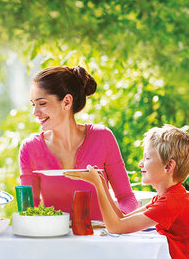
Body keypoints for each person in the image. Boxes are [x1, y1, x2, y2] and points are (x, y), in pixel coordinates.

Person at [19, 66, 139, 220]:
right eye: (32, 104)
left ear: (67, 102)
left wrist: (117, 220)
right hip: (55, 240)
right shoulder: (30, 148)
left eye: (42, 104)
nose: (35, 113)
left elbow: (127, 198)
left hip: (103, 239)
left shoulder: (102, 138)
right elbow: (28, 210)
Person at [65, 125, 189, 259]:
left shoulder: (170, 203)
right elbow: (122, 219)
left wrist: (97, 185)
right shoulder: (167, 197)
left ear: (168, 166)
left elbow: (115, 227)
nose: (140, 164)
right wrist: (102, 184)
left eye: (147, 158)